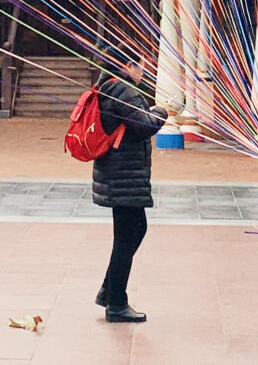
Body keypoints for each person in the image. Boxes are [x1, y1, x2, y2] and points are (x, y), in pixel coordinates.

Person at [92, 51, 167, 324]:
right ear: (127, 65)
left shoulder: (107, 85)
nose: (143, 72)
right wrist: (160, 111)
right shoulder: (123, 90)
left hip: (118, 174)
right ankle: (116, 303)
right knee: (127, 237)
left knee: (132, 232)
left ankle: (109, 291)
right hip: (124, 176)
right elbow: (143, 125)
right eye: (141, 66)